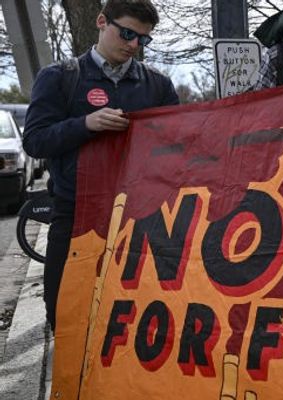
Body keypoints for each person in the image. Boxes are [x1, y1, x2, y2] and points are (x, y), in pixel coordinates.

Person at [23, 0, 179, 332]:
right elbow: (35, 141)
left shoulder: (157, 85)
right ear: (100, 22)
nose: (134, 45)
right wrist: (85, 124)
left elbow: (176, 149)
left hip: (140, 219)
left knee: (138, 320)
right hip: (75, 214)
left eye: (143, 39)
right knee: (65, 313)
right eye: (126, 34)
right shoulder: (60, 78)